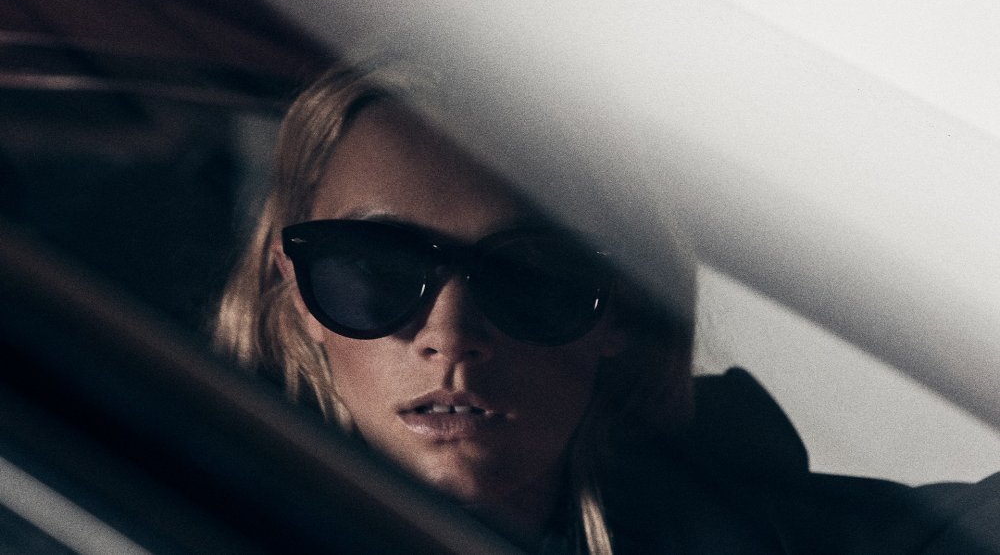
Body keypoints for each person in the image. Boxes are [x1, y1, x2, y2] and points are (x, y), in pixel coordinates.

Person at [215, 64, 1000, 554]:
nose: (451, 337)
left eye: (527, 277)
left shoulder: (752, 523)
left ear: (618, 311)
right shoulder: (173, 499)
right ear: (295, 288)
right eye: (375, 271)